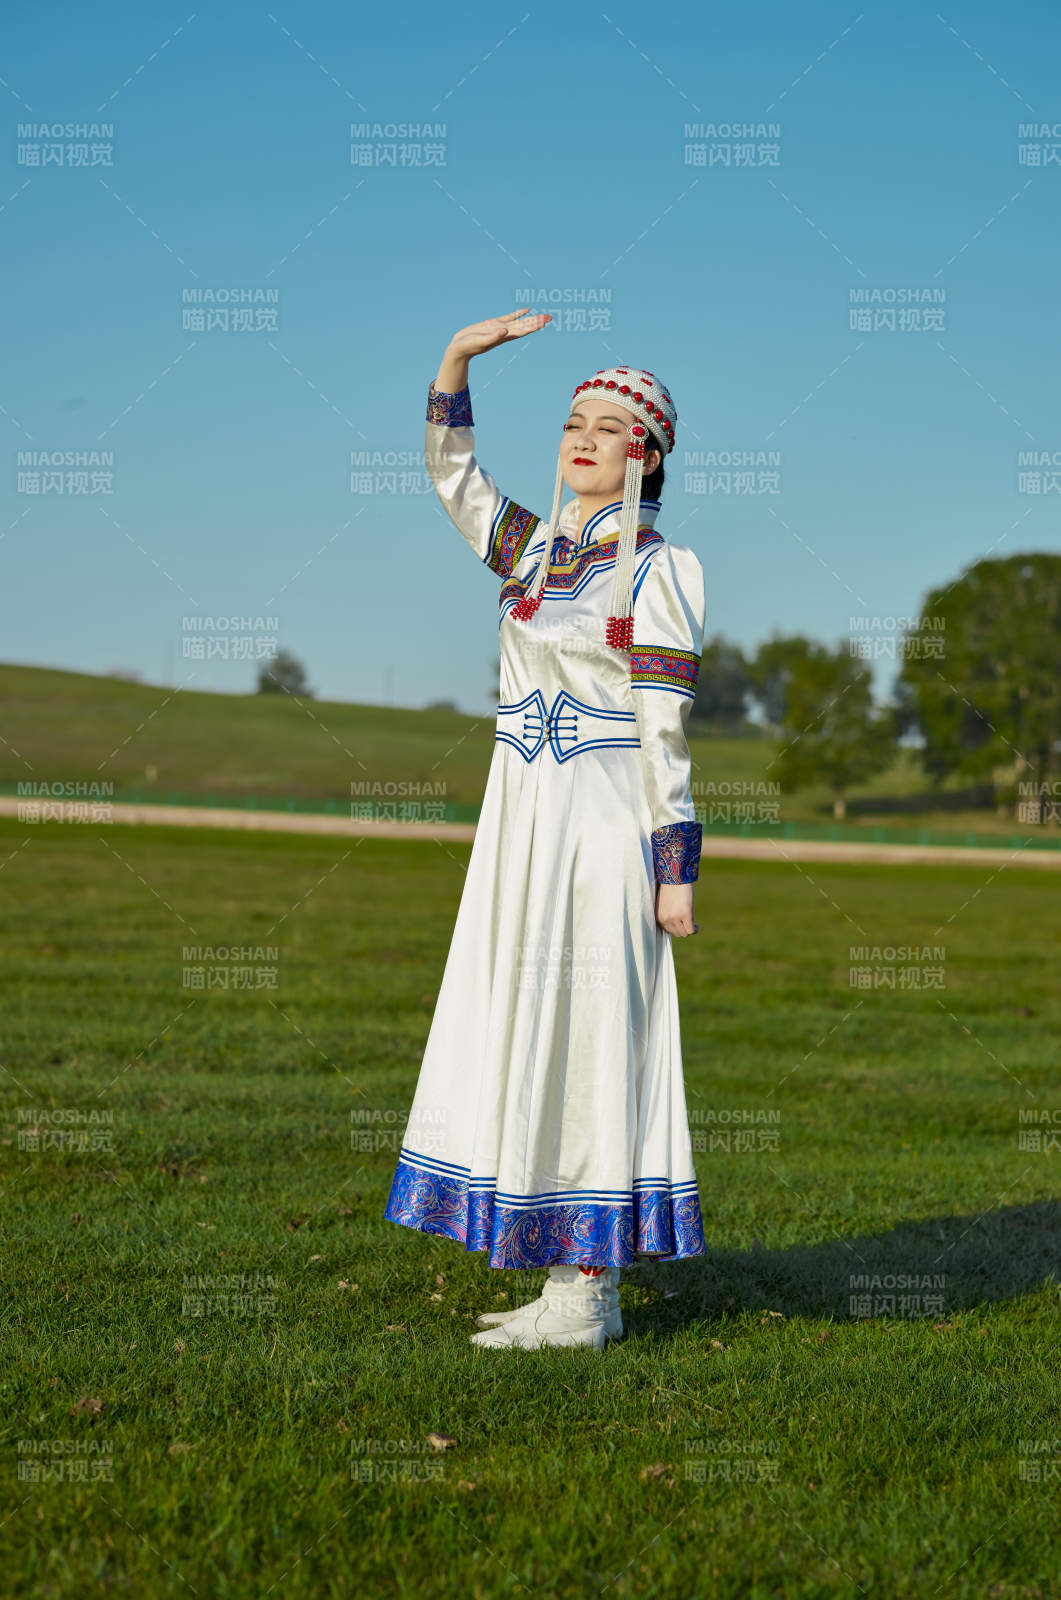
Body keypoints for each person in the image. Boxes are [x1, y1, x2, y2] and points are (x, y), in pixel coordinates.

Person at [384, 309, 706, 1350]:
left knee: (590, 1042)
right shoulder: (531, 553)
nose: (580, 438)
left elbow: (663, 729)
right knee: (520, 1028)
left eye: (607, 429)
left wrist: (674, 866)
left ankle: (587, 1296)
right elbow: (453, 478)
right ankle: (554, 1277)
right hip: (520, 828)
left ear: (643, 454)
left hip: (601, 837)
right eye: (572, 421)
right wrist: (455, 358)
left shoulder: (661, 572)